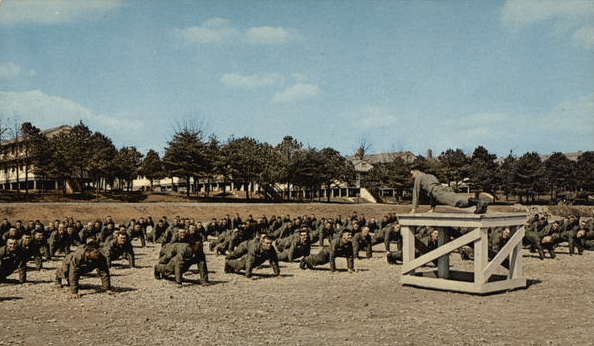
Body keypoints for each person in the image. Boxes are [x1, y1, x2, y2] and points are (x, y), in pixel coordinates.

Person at [409, 169, 492, 214]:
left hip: (438, 192)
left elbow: (415, 193)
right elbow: (432, 193)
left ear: (417, 172)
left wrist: (413, 209)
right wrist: (432, 208)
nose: (412, 177)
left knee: (456, 201)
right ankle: (480, 204)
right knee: (457, 198)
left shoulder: (418, 178)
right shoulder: (430, 176)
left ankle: (478, 202)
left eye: (412, 174)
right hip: (443, 189)